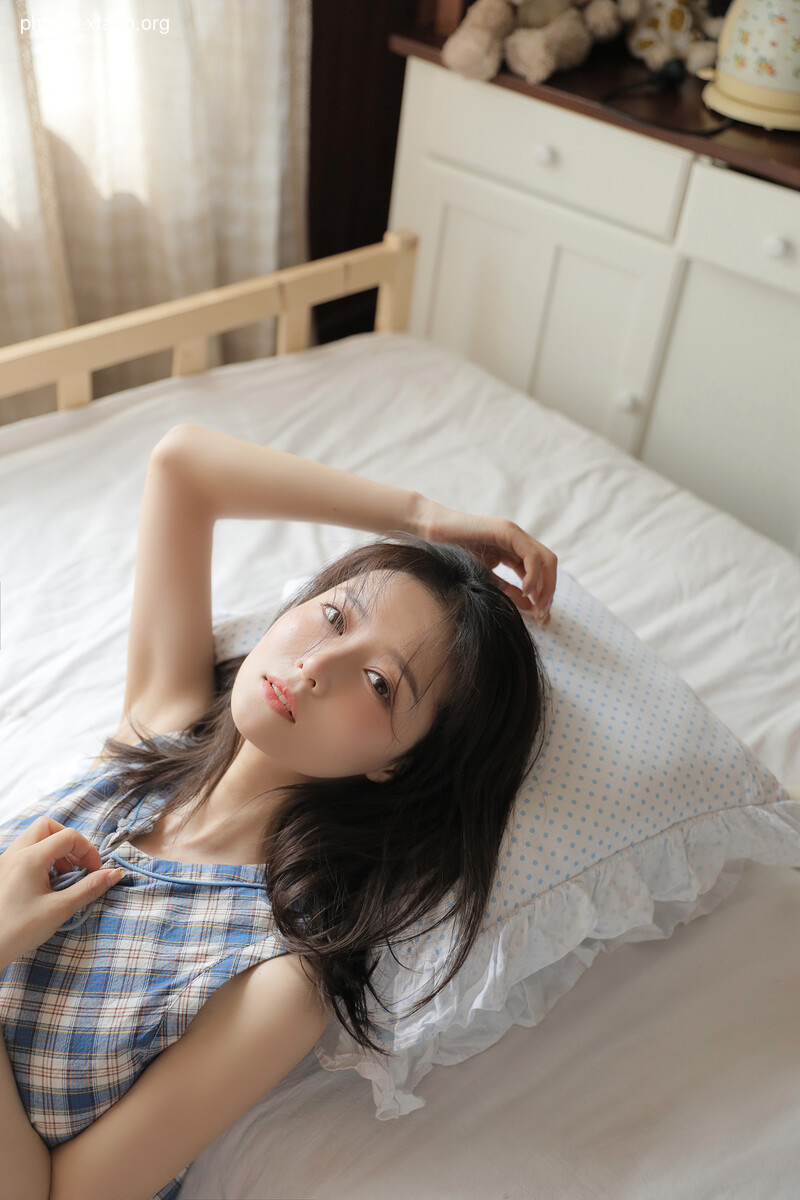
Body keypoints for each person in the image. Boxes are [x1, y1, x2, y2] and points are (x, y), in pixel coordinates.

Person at [0, 423, 557, 1200]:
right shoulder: (149, 740)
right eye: (334, 617)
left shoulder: (274, 977)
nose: (317, 666)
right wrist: (424, 518)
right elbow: (184, 465)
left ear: (397, 762)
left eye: (378, 683)